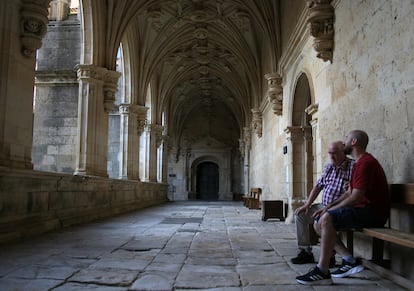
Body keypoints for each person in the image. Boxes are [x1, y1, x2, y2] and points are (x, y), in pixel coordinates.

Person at [296, 130, 390, 285]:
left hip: (373, 213)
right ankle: (349, 260)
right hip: (364, 210)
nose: (344, 141)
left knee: (326, 219)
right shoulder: (360, 163)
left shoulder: (364, 163)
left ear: (353, 142)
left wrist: (330, 211)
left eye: (347, 139)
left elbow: (356, 197)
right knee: (319, 222)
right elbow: (349, 193)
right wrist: (328, 208)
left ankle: (322, 270)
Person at [291, 141, 354, 266]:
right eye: (330, 153)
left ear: (343, 152)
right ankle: (305, 252)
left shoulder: (353, 167)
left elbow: (354, 192)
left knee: (321, 222)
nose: (331, 156)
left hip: (339, 207)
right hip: (323, 205)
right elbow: (318, 186)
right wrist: (307, 204)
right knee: (300, 215)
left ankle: (329, 256)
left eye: (335, 153)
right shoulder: (329, 167)